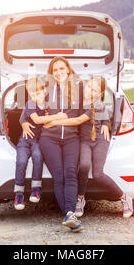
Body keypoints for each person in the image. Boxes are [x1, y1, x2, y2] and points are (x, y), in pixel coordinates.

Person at [44, 76, 134, 218]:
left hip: (99, 140)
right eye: (89, 87)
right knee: (84, 166)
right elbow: (70, 114)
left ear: (100, 93)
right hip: (84, 140)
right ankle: (80, 198)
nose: (90, 91)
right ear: (84, 87)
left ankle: (124, 197)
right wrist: (50, 116)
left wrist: (54, 123)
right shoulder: (79, 102)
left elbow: (78, 120)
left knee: (98, 174)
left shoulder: (98, 105)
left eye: (95, 90)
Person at [21, 57, 83, 232]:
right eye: (55, 70)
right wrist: (23, 123)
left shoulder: (78, 91)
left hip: (72, 138)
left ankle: (69, 213)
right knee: (59, 176)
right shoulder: (46, 90)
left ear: (68, 70)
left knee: (71, 173)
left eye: (62, 68)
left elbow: (87, 112)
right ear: (51, 73)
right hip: (49, 139)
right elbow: (29, 107)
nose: (59, 72)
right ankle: (69, 215)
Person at [14, 76, 67, 210]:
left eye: (38, 93)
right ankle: (19, 193)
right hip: (25, 139)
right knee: (21, 161)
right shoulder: (30, 104)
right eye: (32, 94)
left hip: (38, 140)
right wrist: (57, 116)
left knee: (38, 157)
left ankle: (36, 188)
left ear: (44, 91)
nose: (36, 96)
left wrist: (56, 118)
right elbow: (37, 120)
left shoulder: (50, 104)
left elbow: (50, 121)